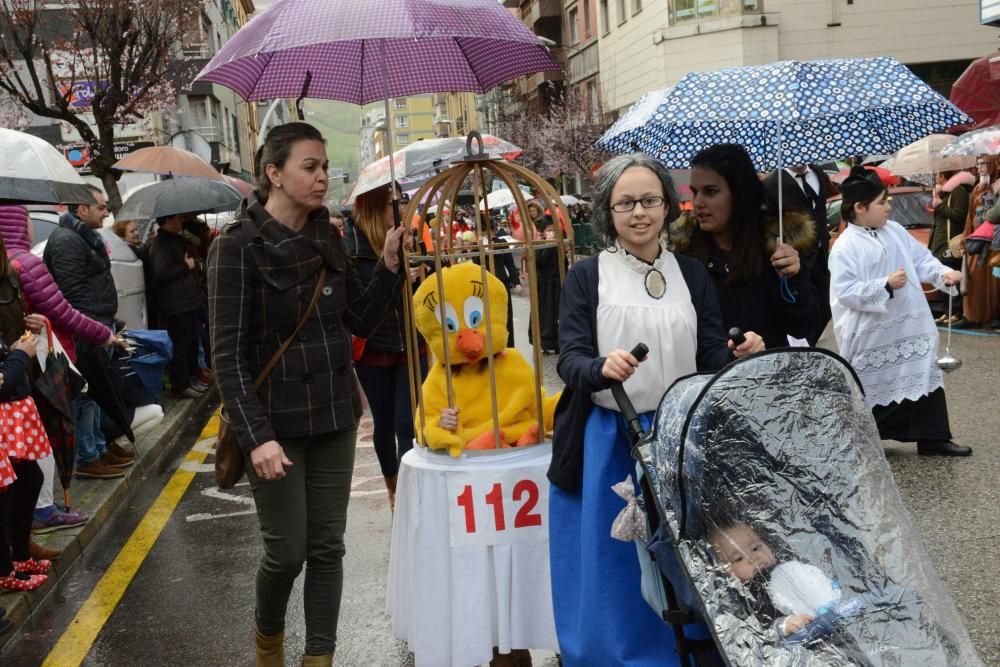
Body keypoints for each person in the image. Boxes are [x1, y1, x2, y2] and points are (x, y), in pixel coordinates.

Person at [547, 153, 764, 666]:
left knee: (684, 556)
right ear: (608, 212)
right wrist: (601, 367)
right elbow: (569, 359)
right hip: (610, 439)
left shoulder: (690, 272)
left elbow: (708, 351)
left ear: (669, 206)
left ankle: (686, 653)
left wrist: (736, 353)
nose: (639, 213)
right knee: (617, 565)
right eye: (625, 203)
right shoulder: (588, 274)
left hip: (681, 434)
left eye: (649, 200)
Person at [208, 122, 406, 667]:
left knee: (327, 548)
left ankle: (320, 657)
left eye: (325, 167)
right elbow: (225, 356)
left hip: (336, 414)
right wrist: (256, 438)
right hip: (274, 422)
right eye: (309, 167)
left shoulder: (330, 237)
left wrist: (389, 265)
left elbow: (358, 320)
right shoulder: (236, 247)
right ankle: (268, 642)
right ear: (274, 173)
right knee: (286, 551)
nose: (322, 178)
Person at [829, 167, 969, 457]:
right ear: (860, 208)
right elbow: (846, 291)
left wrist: (943, 274)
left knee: (924, 371)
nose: (888, 206)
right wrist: (885, 284)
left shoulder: (894, 231)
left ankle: (933, 437)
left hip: (910, 325)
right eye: (882, 202)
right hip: (872, 334)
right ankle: (861, 438)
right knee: (874, 387)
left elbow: (920, 260)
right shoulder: (844, 246)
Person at [673, 144, 820, 349]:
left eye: (710, 191)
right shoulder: (683, 255)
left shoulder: (776, 248)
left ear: (739, 192)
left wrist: (792, 281)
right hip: (711, 377)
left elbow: (803, 326)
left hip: (770, 371)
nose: (697, 203)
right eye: (694, 192)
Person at [344, 183, 426, 511]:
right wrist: (391, 269)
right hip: (374, 347)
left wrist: (419, 273)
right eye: (394, 203)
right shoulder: (352, 243)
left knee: (409, 422)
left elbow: (425, 291)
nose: (400, 208)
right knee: (386, 422)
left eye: (402, 201)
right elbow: (362, 304)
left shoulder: (409, 236)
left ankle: (411, 497)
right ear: (375, 206)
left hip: (411, 340)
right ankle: (393, 487)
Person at [43, 186, 134, 479]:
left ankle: (98, 445)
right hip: (87, 330)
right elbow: (73, 293)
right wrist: (95, 327)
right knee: (86, 393)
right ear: (81, 209)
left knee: (97, 392)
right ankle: (87, 455)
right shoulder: (67, 241)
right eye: (100, 207)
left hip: (97, 325)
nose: (106, 212)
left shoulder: (82, 237)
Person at [0, 328, 52, 592]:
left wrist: (12, 351)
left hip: (11, 411)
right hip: (5, 413)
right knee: (8, 492)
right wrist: (20, 355)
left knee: (29, 480)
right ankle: (8, 568)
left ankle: (19, 558)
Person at [763, 164, 832, 343]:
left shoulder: (818, 173)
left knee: (825, 310)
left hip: (821, 259)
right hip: (795, 260)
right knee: (804, 317)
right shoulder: (772, 183)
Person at [148, 214, 207, 398]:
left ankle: (191, 377)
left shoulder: (176, 239)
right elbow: (161, 272)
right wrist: (185, 266)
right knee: (180, 346)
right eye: (177, 218)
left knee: (191, 342)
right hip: (177, 304)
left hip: (189, 301)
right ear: (168, 221)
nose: (181, 221)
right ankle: (180, 385)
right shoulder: (161, 244)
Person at [928, 169, 975, 325]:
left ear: (943, 175)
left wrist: (940, 206)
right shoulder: (943, 193)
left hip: (950, 242)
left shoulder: (958, 191)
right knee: (942, 279)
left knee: (952, 277)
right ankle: (946, 311)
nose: (936, 178)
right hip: (939, 243)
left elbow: (959, 216)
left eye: (937, 175)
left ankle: (956, 311)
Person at [962, 157, 1000, 328]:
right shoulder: (977, 187)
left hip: (993, 241)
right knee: (973, 277)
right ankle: (972, 316)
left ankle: (990, 316)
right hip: (977, 239)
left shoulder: (997, 186)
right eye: (977, 164)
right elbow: (969, 217)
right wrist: (965, 239)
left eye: (983, 163)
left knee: (992, 282)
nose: (979, 167)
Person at [527, 222, 562, 353]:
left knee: (556, 313)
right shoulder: (539, 245)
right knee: (544, 313)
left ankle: (557, 341)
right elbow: (540, 261)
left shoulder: (559, 245)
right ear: (543, 233)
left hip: (556, 282)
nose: (551, 233)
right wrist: (548, 244)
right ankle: (544, 342)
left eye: (553, 231)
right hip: (544, 284)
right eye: (549, 230)